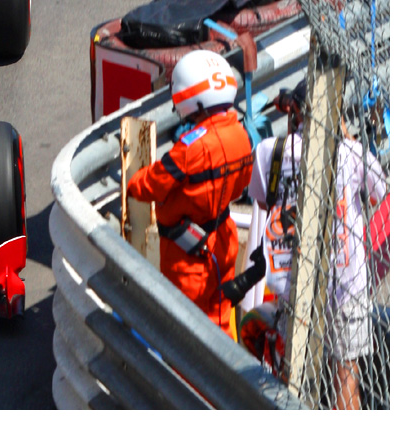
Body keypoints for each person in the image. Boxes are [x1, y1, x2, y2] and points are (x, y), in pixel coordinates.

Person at [240, 78, 387, 410]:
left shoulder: (270, 151)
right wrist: (346, 135)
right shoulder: (349, 151)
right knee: (346, 374)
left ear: (295, 111)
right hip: (346, 282)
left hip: (293, 281)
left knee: (291, 373)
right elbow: (380, 191)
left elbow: (263, 205)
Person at [126, 49, 253, 337]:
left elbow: (146, 186)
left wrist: (134, 180)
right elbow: (241, 183)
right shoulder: (241, 135)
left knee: (187, 334)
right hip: (223, 239)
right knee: (219, 320)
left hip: (188, 256)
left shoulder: (190, 148)